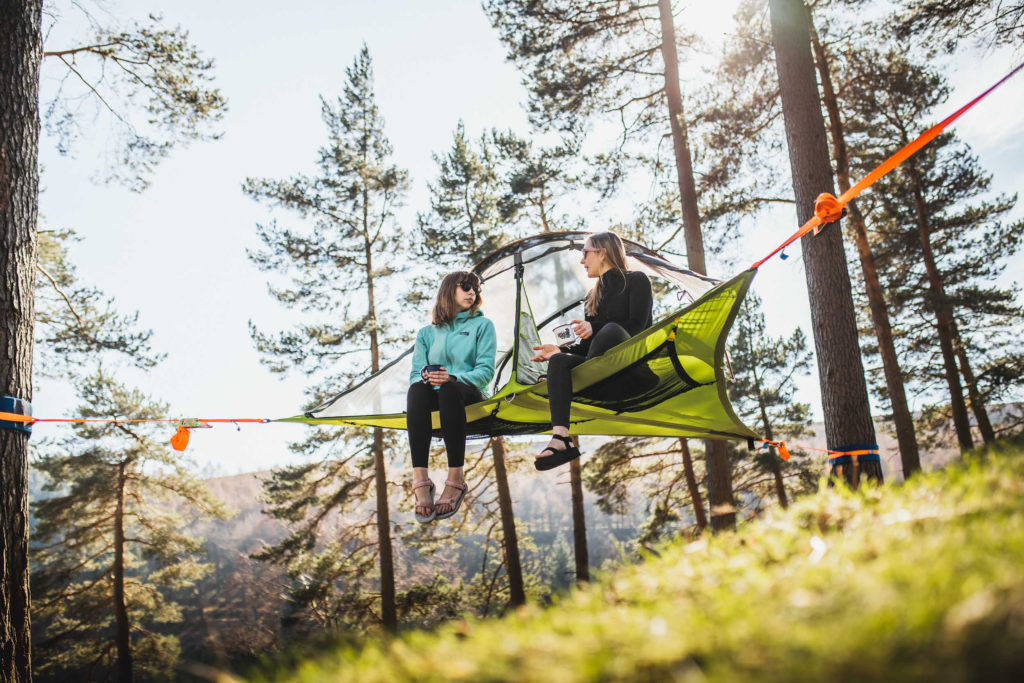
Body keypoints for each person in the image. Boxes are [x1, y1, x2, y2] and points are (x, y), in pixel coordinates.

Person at [529, 232, 653, 471]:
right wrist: (558, 350)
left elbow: (637, 326)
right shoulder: (591, 298)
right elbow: (587, 349)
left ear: (602, 253)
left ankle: (574, 382)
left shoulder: (637, 280)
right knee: (558, 362)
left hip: (630, 372)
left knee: (611, 330)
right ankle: (561, 438)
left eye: (585, 253)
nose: (582, 261)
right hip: (600, 378)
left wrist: (594, 328)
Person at [407, 271, 496, 523]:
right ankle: (420, 480)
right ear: (448, 290)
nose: (472, 292)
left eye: (476, 289)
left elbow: (485, 371)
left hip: (468, 393)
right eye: (466, 286)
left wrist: (453, 377)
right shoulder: (426, 333)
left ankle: (456, 478)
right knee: (416, 390)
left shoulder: (482, 326)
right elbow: (415, 373)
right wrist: (425, 377)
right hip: (434, 395)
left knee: (449, 389)